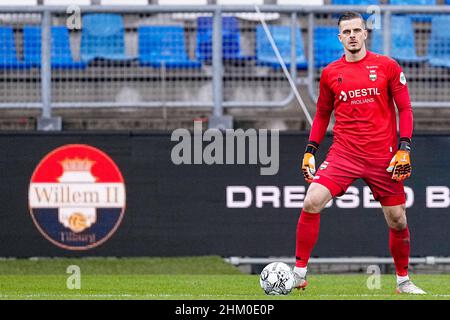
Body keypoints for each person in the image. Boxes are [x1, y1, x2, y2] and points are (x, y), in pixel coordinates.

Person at [294, 11, 425, 294]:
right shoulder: (330, 73)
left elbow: (405, 109)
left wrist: (405, 148)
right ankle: (298, 273)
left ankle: (403, 280)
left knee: (398, 219)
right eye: (347, 32)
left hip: (383, 155)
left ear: (365, 34)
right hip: (344, 154)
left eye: (357, 30)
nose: (353, 35)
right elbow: (321, 115)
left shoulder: (387, 66)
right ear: (340, 37)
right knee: (311, 201)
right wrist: (310, 151)